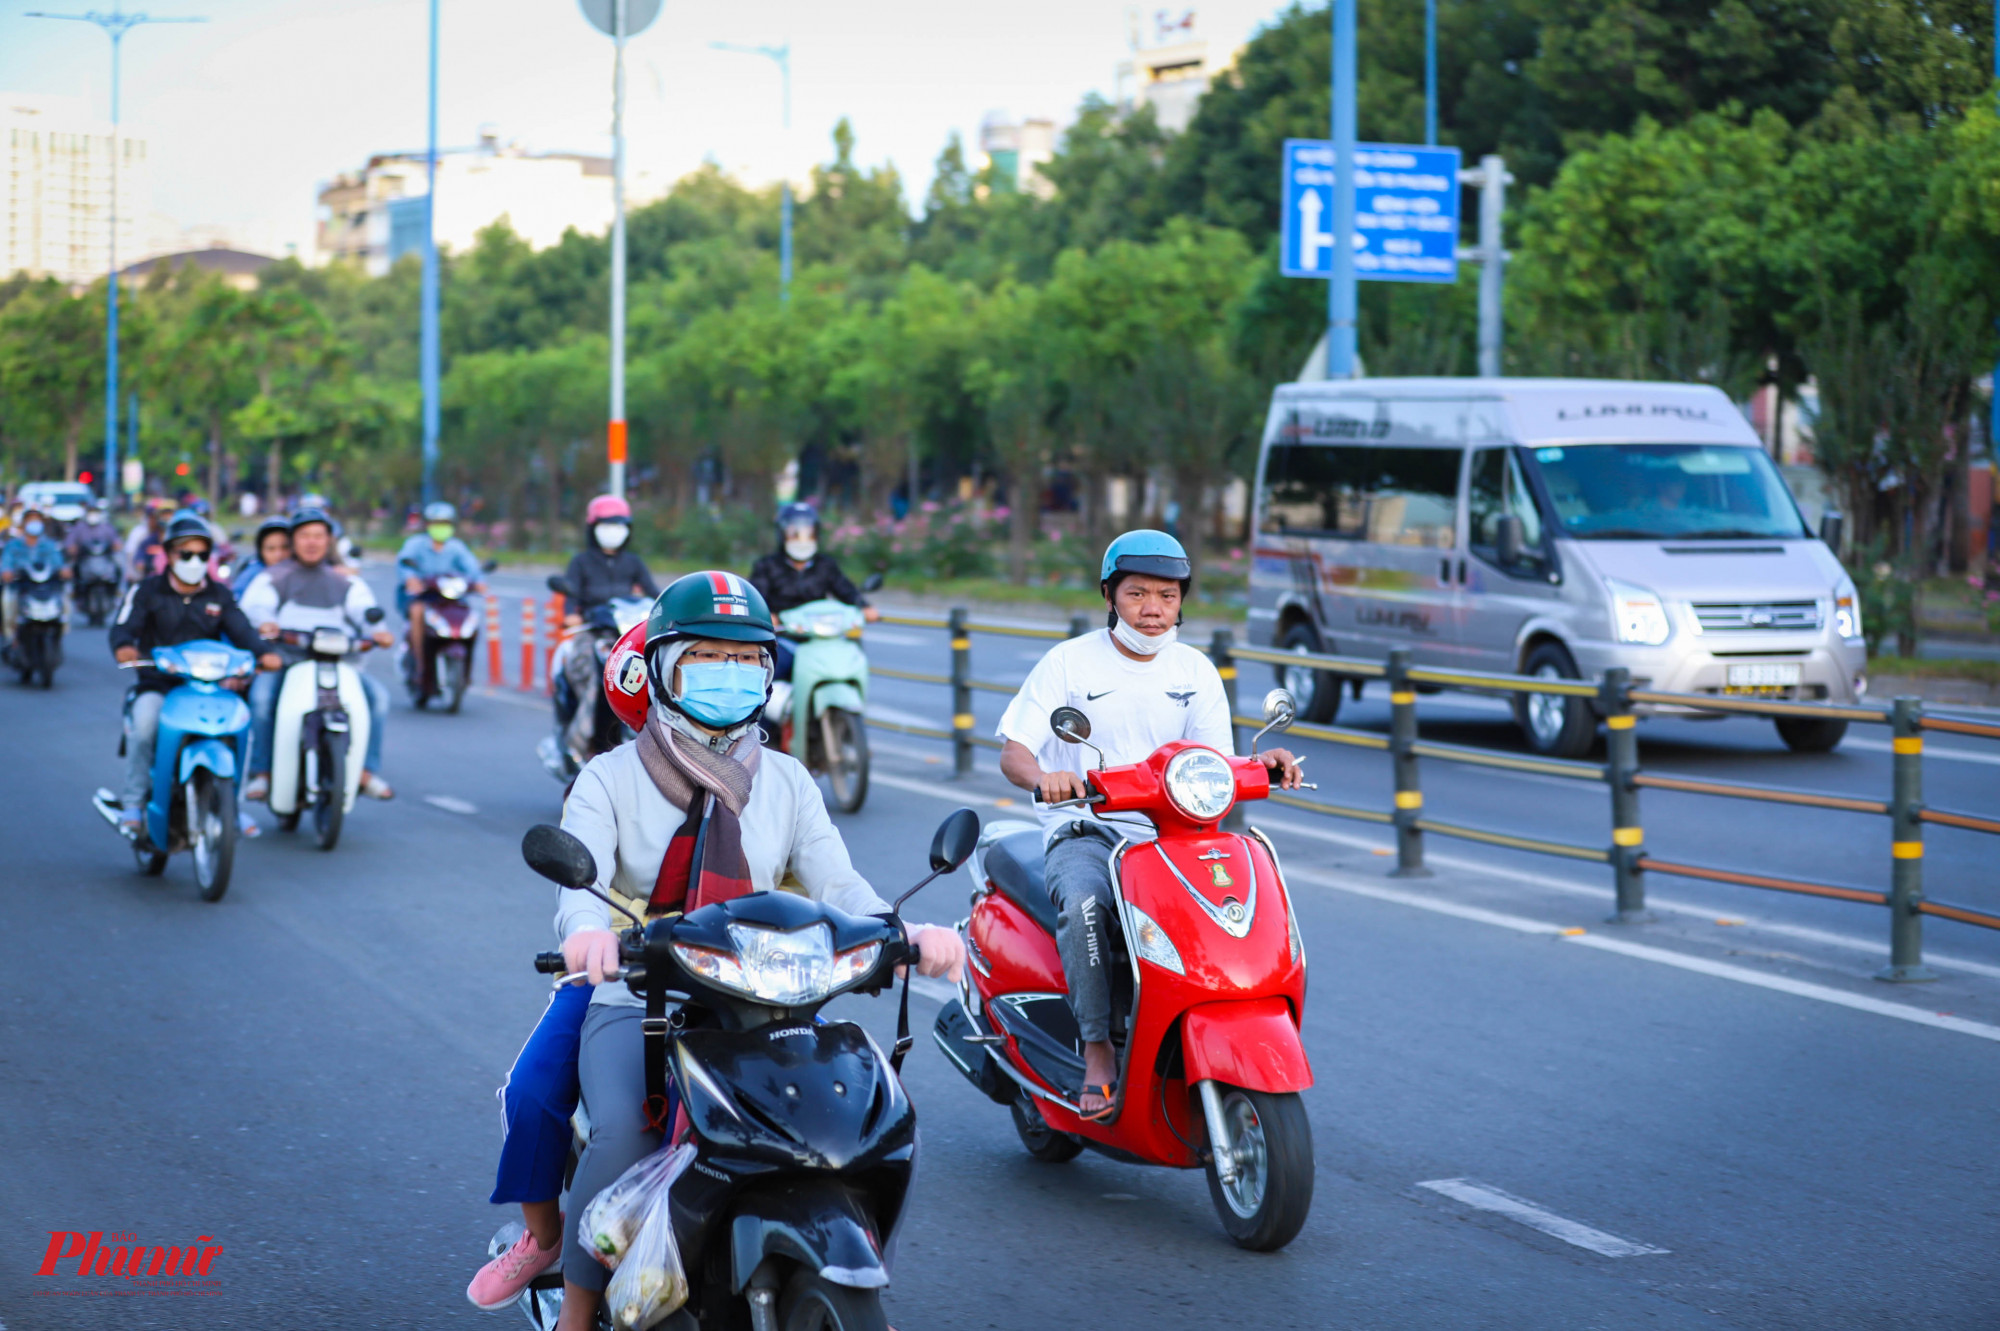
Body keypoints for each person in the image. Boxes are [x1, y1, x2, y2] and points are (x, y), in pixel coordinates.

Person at [464, 572, 966, 1326]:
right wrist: (591, 936)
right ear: (661, 666)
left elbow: (840, 881)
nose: (729, 675)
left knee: (834, 1121)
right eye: (705, 656)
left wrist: (907, 931)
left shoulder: (789, 780)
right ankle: (576, 1305)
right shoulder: (608, 777)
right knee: (623, 1128)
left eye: (746, 660)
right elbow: (580, 884)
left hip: (767, 982)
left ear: (768, 672)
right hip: (638, 986)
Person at [996, 530, 1304, 1120]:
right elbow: (1015, 751)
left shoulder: (1197, 668)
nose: (1153, 608)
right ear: (1110, 596)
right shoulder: (1069, 662)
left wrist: (1262, 763)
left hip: (1173, 834)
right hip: (1088, 827)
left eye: (1167, 594)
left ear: (1182, 600)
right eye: (1137, 594)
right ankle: (1096, 1049)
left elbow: (1218, 762)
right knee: (1086, 903)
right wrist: (1046, 778)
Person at [107, 515, 281, 837]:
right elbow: (123, 627)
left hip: (208, 687)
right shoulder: (147, 591)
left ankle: (234, 805)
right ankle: (133, 803)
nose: (194, 561)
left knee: (241, 724)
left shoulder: (219, 595)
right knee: (145, 724)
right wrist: (125, 647)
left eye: (202, 555)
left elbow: (242, 630)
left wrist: (263, 654)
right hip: (158, 684)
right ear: (169, 555)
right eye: (186, 554)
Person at [238, 508, 396, 803]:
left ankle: (365, 771)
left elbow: (365, 612)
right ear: (294, 540)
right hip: (286, 662)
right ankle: (262, 773)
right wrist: (265, 624)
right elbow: (256, 608)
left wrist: (378, 631)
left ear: (329, 541)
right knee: (261, 700)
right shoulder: (274, 577)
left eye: (318, 536)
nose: (312, 542)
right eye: (304, 536)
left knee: (378, 699)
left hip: (338, 664)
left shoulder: (344, 581)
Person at [552, 495, 657, 766]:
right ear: (593, 527)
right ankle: (578, 743)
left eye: (619, 524)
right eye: (606, 524)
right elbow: (571, 600)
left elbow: (656, 595)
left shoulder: (633, 562)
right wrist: (571, 616)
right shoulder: (581, 562)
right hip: (593, 633)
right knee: (590, 675)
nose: (613, 530)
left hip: (628, 635)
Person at [747, 501, 879, 682]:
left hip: (820, 637)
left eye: (808, 533)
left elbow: (845, 589)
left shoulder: (826, 565)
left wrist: (864, 607)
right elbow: (756, 598)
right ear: (782, 534)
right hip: (784, 638)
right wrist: (767, 617)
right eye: (795, 533)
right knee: (768, 672)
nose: (802, 539)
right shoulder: (767, 566)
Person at [395, 500, 487, 695]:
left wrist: (479, 581)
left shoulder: (456, 547)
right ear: (427, 524)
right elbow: (404, 564)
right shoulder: (416, 544)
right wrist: (411, 579)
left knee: (470, 616)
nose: (441, 527)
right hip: (423, 596)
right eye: (437, 523)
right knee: (417, 611)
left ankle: (467, 670)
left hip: (449, 597)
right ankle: (420, 664)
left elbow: (472, 569)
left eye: (445, 523)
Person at [1, 508, 68, 642]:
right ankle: (11, 635)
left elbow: (59, 563)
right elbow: (6, 563)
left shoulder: (49, 545)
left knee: (65, 599)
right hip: (21, 586)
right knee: (7, 602)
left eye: (37, 520)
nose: (34, 523)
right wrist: (6, 572)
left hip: (45, 586)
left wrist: (64, 570)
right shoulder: (13, 545)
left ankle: (62, 628)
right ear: (23, 523)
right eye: (30, 520)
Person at [233, 517, 292, 600]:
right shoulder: (251, 577)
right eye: (271, 549)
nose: (278, 555)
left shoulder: (303, 571)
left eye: (285, 547)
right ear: (261, 551)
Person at [122, 504, 168, 582]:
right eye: (151, 518)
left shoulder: (171, 540)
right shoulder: (141, 534)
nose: (153, 521)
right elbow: (133, 555)